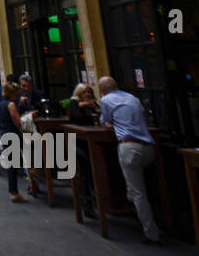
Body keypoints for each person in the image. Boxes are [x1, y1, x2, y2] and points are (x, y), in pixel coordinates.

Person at [98, 76, 162, 243]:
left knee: (138, 193)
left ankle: (151, 233)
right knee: (144, 187)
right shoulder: (132, 98)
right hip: (149, 147)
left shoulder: (106, 100)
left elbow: (104, 121)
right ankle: (131, 202)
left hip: (129, 147)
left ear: (103, 90)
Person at [67, 83, 99, 219]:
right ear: (79, 94)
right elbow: (75, 116)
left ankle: (97, 199)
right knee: (86, 167)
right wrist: (85, 105)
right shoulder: (74, 103)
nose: (88, 94)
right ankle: (88, 202)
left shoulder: (93, 105)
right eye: (84, 92)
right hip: (77, 143)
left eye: (89, 92)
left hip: (92, 141)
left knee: (95, 169)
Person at [0, 81, 26, 202]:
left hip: (5, 133)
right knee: (14, 164)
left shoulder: (2, 104)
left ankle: (13, 191)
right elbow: (17, 122)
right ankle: (14, 193)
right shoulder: (11, 105)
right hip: (12, 134)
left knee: (12, 164)